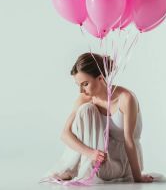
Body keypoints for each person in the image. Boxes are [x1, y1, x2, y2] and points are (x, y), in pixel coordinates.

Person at [41, 52, 155, 184]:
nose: (81, 91)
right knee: (86, 109)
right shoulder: (85, 98)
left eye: (85, 84)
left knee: (86, 108)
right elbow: (65, 134)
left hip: (123, 163)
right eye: (78, 85)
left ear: (101, 78)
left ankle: (79, 171)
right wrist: (90, 153)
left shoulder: (125, 98)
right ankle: (72, 170)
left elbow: (129, 141)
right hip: (99, 158)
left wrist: (138, 177)